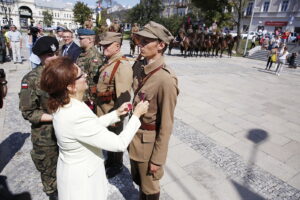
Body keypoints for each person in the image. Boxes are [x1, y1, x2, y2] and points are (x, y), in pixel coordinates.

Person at [39, 56, 149, 200]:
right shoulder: (75, 114)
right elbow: (119, 144)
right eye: (80, 75)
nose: (85, 75)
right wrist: (136, 116)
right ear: (70, 86)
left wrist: (116, 114)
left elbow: (88, 127)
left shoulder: (66, 103)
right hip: (82, 182)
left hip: (73, 171)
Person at [130, 21, 179, 200]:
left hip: (148, 146)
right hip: (135, 136)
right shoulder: (141, 67)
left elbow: (166, 124)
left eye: (145, 42)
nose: (139, 45)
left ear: (160, 45)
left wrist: (157, 159)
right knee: (139, 181)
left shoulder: (165, 80)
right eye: (139, 40)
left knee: (150, 188)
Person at [19, 36, 59, 200]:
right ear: (41, 57)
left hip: (67, 132)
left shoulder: (64, 73)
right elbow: (28, 112)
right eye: (49, 55)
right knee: (50, 175)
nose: (54, 58)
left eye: (56, 53)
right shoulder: (31, 79)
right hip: (45, 136)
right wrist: (54, 118)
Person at [97, 32, 133, 178]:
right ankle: (110, 161)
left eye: (107, 45)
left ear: (117, 46)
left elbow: (123, 97)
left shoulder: (121, 65)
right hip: (104, 110)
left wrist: (118, 117)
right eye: (103, 44)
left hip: (113, 112)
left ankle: (116, 165)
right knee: (107, 140)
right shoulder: (109, 61)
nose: (103, 47)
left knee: (115, 138)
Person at [76, 28, 103, 111]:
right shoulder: (83, 53)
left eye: (81, 38)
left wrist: (91, 100)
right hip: (81, 95)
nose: (79, 40)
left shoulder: (94, 56)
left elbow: (93, 81)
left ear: (90, 40)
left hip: (87, 98)